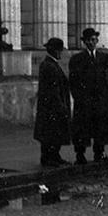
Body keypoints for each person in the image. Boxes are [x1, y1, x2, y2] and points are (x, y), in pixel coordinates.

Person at [68, 27, 108, 164]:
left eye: (93, 40)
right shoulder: (77, 59)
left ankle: (100, 153)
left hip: (101, 100)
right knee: (83, 128)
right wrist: (78, 97)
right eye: (88, 40)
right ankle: (80, 155)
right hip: (85, 100)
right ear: (84, 42)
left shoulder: (104, 57)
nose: (91, 42)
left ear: (97, 41)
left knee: (101, 127)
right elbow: (73, 81)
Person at [33, 37, 71, 167]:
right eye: (60, 50)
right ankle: (49, 158)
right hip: (52, 108)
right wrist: (61, 106)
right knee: (51, 134)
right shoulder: (50, 66)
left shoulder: (50, 64)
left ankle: (54, 156)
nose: (61, 53)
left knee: (53, 134)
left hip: (50, 107)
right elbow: (53, 90)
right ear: (55, 51)